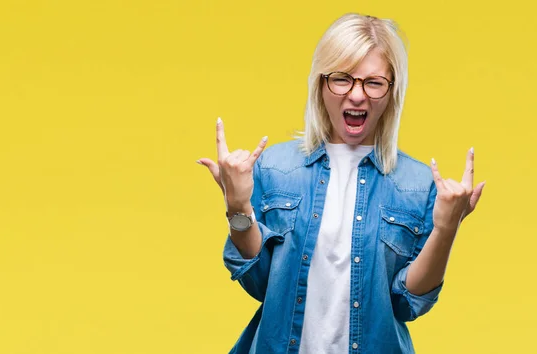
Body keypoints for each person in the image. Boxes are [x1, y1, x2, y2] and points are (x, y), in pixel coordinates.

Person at [197, 12, 486, 354]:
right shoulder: (274, 167)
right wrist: (237, 206)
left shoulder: (418, 184)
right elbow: (259, 282)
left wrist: (446, 229)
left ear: (392, 92)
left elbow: (409, 304)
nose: (357, 95)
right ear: (321, 84)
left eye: (373, 82)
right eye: (342, 79)